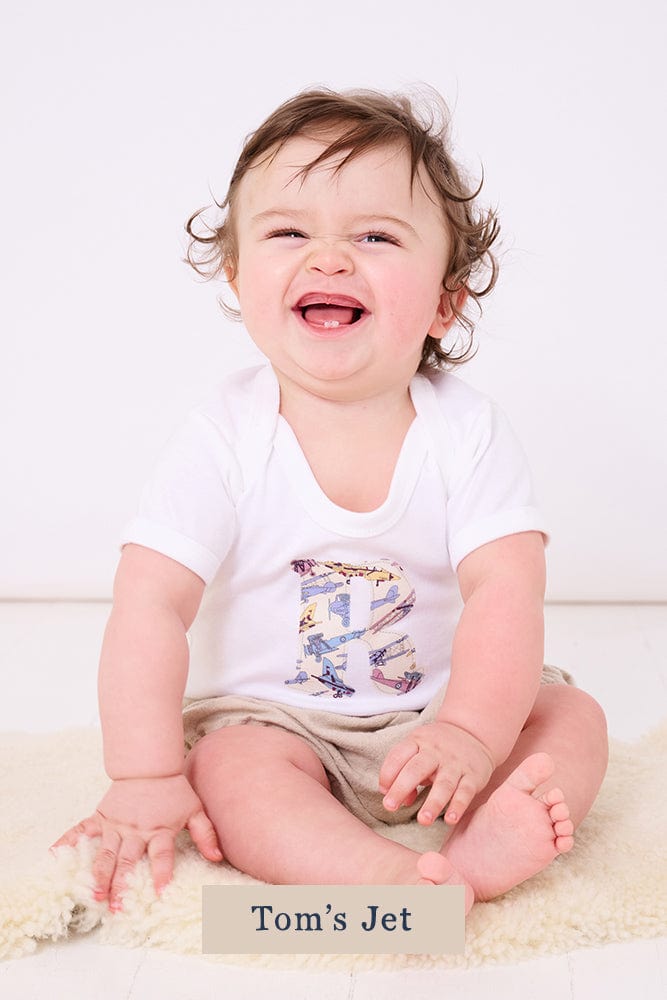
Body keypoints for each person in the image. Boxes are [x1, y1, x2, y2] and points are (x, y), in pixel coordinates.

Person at [53, 87, 608, 914]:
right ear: (239, 278)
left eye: (375, 237)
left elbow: (506, 589)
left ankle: (482, 836)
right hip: (278, 723)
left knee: (568, 715)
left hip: (442, 709)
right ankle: (387, 885)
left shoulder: (467, 432)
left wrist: (468, 731)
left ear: (444, 302)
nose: (329, 259)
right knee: (230, 775)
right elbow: (149, 605)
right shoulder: (223, 437)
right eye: (287, 233)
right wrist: (145, 772)